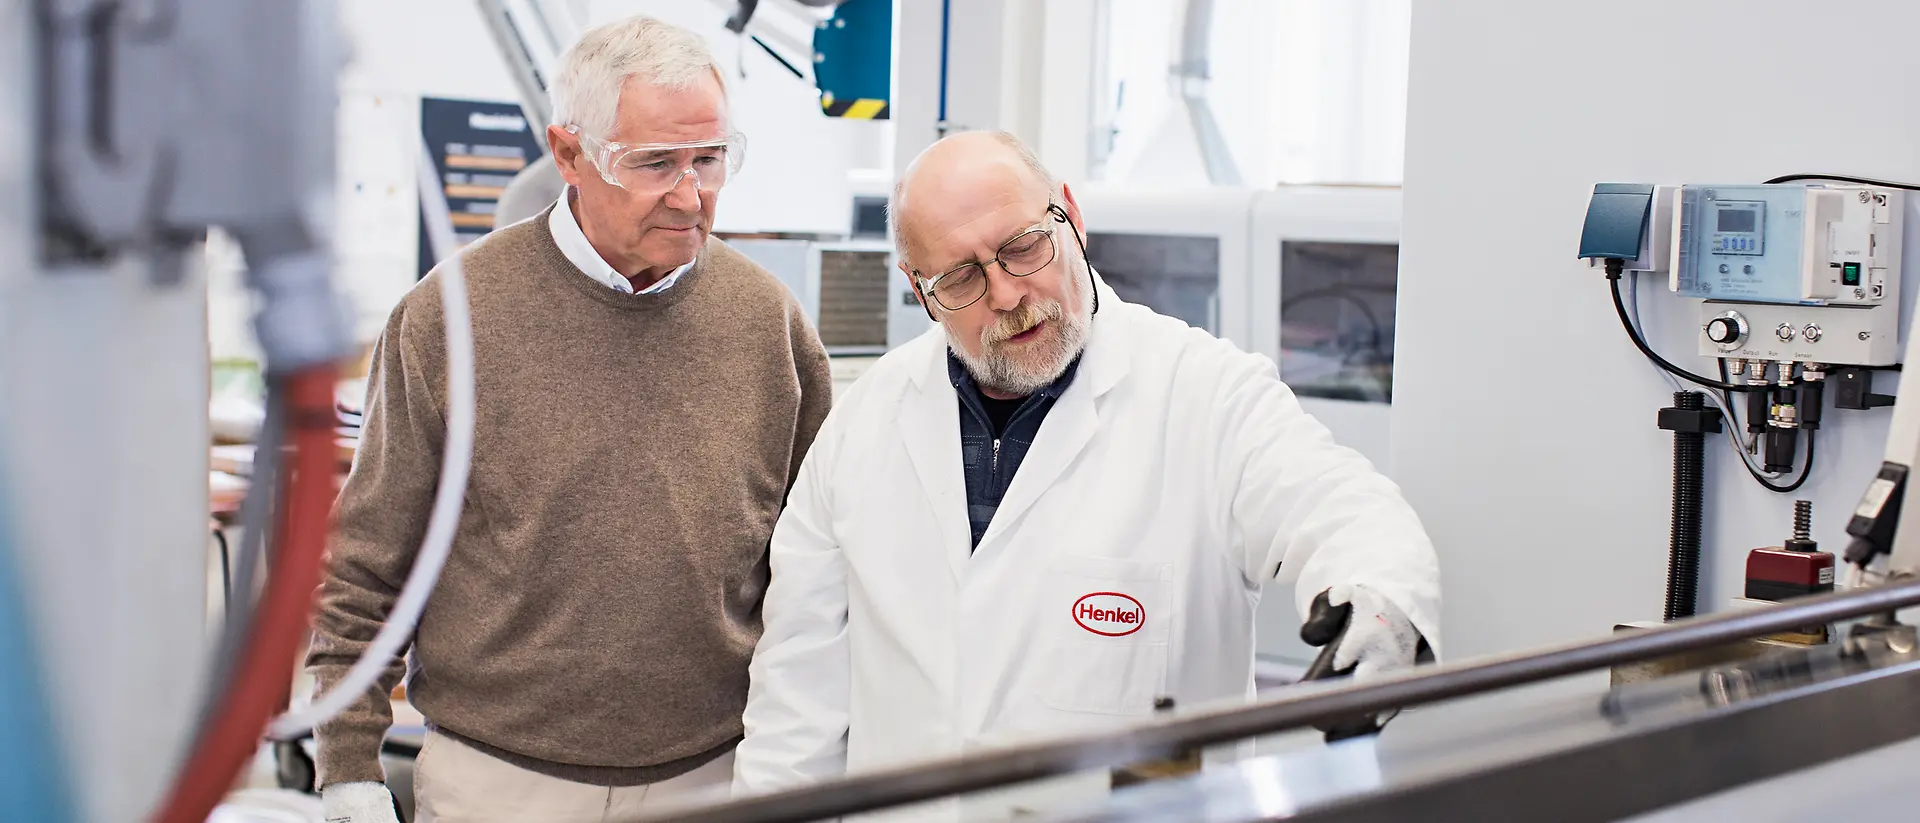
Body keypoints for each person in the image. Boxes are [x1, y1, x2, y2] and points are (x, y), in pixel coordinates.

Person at [732, 131, 1440, 816]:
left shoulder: (1205, 396)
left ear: (1072, 212)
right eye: (962, 277)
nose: (1006, 293)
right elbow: (797, 700)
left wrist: (1381, 602)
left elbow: (1343, 505)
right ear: (918, 289)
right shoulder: (866, 422)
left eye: (1023, 247)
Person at [311, 15, 832, 823]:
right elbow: (366, 563)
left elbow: (816, 571)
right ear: (568, 153)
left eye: (710, 158)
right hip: (501, 782)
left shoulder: (769, 324)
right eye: (655, 163)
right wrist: (348, 763)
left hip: (717, 775)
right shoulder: (449, 317)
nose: (691, 194)